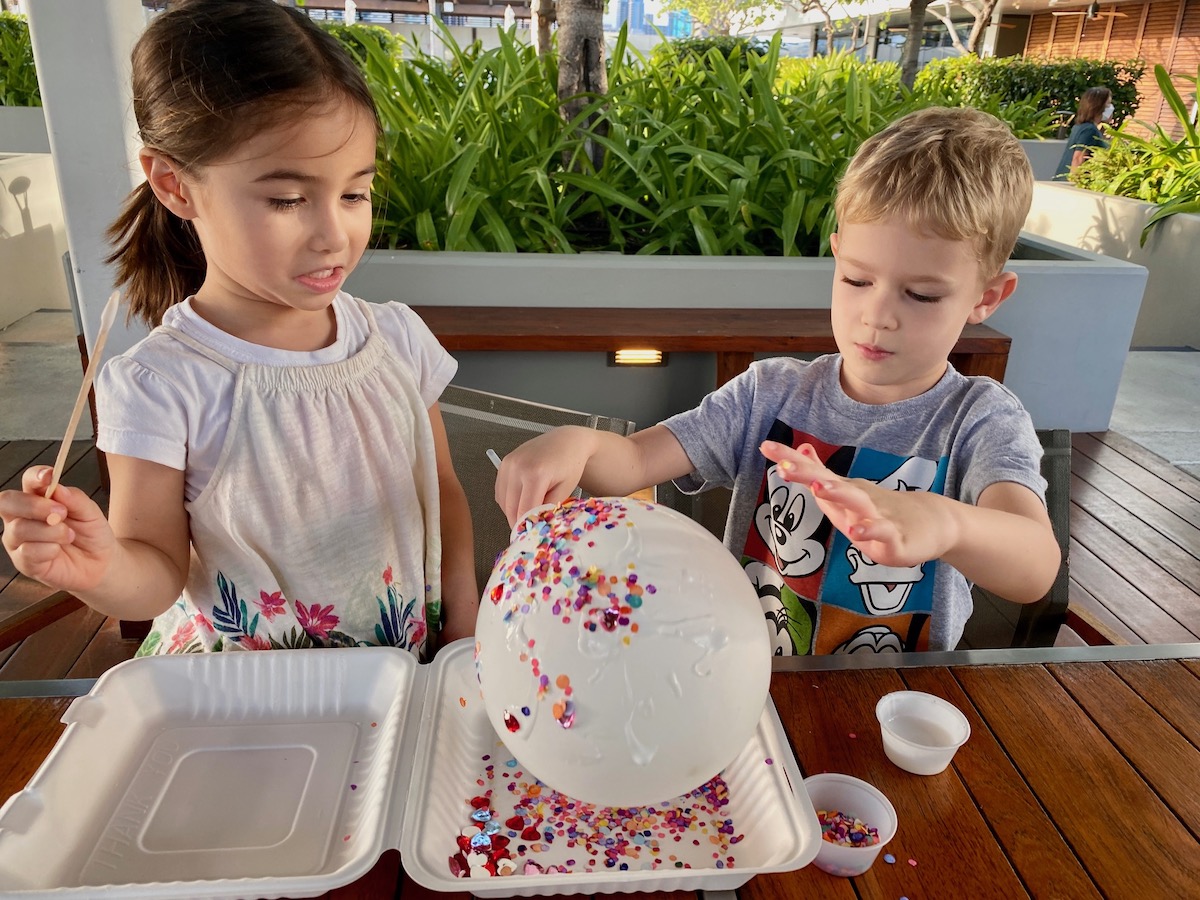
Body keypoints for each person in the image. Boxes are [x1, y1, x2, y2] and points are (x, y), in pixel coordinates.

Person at [0, 0, 478, 657]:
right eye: (286, 199)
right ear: (174, 184)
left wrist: (465, 621)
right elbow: (157, 572)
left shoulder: (396, 340)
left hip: (404, 672)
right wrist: (100, 568)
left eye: (355, 193)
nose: (334, 235)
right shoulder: (161, 382)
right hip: (245, 702)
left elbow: (440, 492)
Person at [495, 107, 1060, 656]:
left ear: (985, 297)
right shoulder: (768, 392)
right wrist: (580, 443)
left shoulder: (980, 418)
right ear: (837, 256)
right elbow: (637, 463)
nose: (877, 315)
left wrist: (947, 522)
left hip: (896, 697)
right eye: (857, 279)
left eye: (922, 295)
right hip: (750, 679)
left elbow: (1035, 565)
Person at [1053, 86, 1113, 180]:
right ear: (1098, 106)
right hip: (1069, 186)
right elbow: (1078, 159)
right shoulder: (1089, 130)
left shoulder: (1081, 127)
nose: (1111, 108)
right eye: (1108, 104)